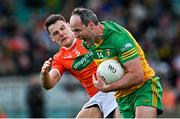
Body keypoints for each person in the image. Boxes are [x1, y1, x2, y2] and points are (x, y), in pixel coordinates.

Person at [70, 7, 163, 118]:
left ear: (90, 25)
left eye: (77, 30)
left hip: (143, 87)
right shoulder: (88, 42)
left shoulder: (119, 39)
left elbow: (138, 76)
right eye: (73, 31)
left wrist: (107, 88)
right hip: (121, 95)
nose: (75, 35)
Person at [40, 14, 120, 118]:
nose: (61, 33)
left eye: (62, 28)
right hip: (97, 96)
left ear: (69, 26)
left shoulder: (86, 36)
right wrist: (44, 73)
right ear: (52, 38)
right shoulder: (59, 58)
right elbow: (49, 84)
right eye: (55, 33)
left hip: (115, 86)